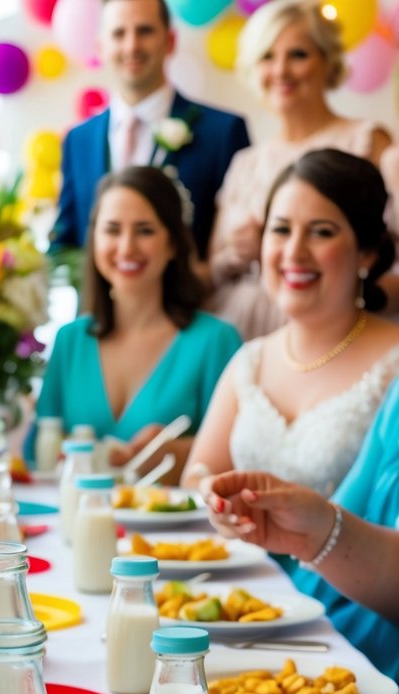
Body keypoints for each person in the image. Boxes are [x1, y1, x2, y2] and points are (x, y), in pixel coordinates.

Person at [183, 150, 399, 498]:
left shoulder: (394, 365)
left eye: (321, 232)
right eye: (281, 229)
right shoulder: (250, 359)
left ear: (367, 253)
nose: (294, 252)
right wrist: (215, 495)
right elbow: (197, 477)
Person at [28, 167, 241, 476]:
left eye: (145, 230)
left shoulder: (216, 341)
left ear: (172, 244)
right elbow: (36, 457)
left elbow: (244, 456)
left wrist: (183, 454)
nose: (127, 247)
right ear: (94, 239)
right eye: (112, 230)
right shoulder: (70, 341)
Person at [207, 0, 393, 339]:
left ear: (327, 61)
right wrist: (237, 254)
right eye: (267, 56)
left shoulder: (367, 141)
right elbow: (210, 271)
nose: (280, 71)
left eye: (298, 55)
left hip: (336, 332)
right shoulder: (245, 163)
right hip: (242, 331)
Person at [201, 371, 399, 679]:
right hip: (336, 633)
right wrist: (304, 526)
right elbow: (348, 511)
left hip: (370, 657)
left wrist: (316, 534)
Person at [50, 0, 249, 260]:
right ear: (100, 47)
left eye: (145, 31)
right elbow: (66, 242)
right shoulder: (78, 140)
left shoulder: (223, 132)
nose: (131, 45)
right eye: (119, 33)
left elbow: (238, 245)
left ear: (170, 41)